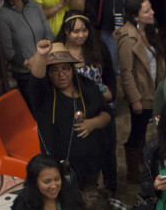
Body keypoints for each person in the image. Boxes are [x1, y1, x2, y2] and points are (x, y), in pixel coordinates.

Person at [27, 38, 112, 189]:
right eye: (54, 70)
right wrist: (41, 54)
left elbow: (106, 114)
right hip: (60, 171)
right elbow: (36, 77)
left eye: (65, 68)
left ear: (72, 68)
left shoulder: (87, 85)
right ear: (48, 73)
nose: (61, 74)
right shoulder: (44, 94)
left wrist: (92, 123)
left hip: (91, 163)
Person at [60, 13, 119, 192]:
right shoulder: (59, 53)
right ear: (66, 32)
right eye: (75, 31)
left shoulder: (97, 48)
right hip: (74, 114)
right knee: (84, 159)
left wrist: (109, 94)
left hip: (101, 109)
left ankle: (111, 190)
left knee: (109, 153)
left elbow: (110, 77)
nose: (81, 35)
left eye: (84, 30)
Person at [116, 0, 163, 186]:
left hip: (153, 91)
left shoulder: (149, 30)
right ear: (135, 16)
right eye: (146, 11)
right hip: (140, 95)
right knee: (137, 132)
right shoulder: (127, 39)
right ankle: (133, 172)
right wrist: (134, 99)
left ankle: (144, 164)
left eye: (150, 9)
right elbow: (126, 72)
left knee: (144, 129)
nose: (152, 13)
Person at [0, 0, 55, 95]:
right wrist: (27, 62)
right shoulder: (3, 16)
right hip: (25, 72)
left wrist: (45, 51)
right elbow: (8, 51)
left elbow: (48, 33)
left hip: (47, 65)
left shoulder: (33, 5)